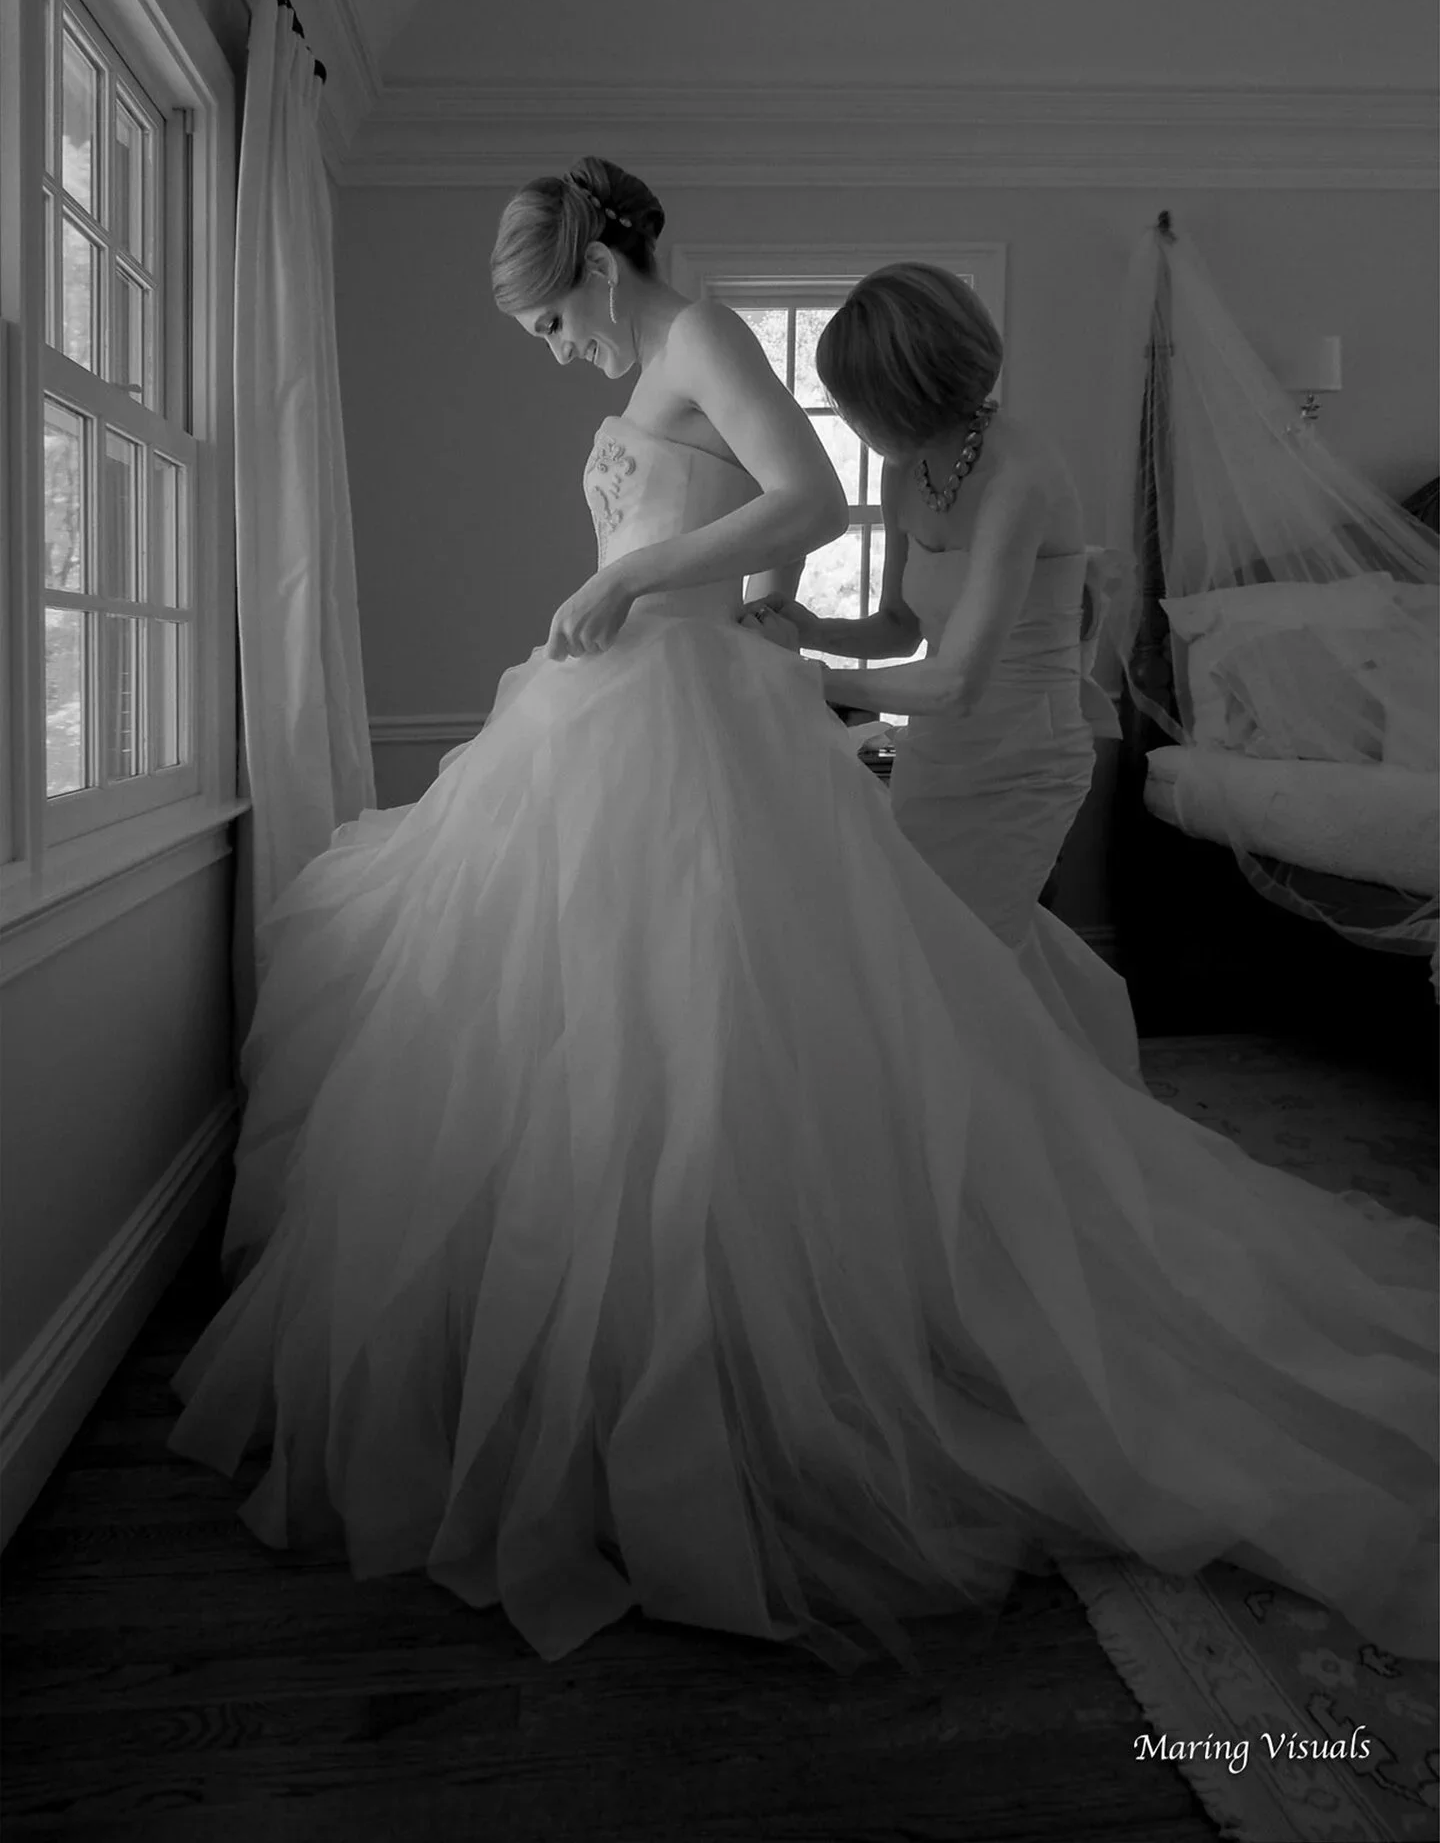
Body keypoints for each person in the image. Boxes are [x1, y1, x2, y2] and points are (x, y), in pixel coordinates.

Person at [169, 158, 1437, 1675]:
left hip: (701, 707)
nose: (552, 350)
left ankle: (826, 1320)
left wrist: (644, 588)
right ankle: (644, 1330)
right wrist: (721, 609)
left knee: (795, 1012)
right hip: (633, 705)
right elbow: (829, 562)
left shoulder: (701, 337)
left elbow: (805, 499)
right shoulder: (677, 373)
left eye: (550, 319)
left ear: (599, 271)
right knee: (628, 1020)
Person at [746, 263, 1142, 1086]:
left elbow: (958, 681)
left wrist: (812, 684)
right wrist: (806, 630)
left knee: (951, 980)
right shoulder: (906, 474)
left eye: (855, 401)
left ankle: (1007, 1160)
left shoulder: (1020, 476)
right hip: (939, 765)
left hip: (1023, 767)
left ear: (904, 390)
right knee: (933, 967)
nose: (848, 420)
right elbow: (898, 630)